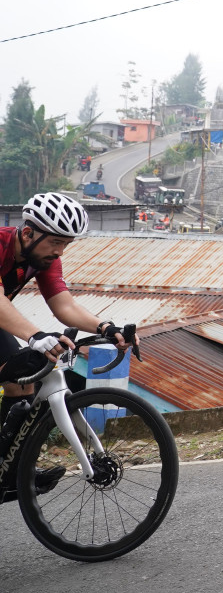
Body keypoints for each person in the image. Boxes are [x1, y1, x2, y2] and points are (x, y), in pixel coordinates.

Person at [1, 193, 134, 499]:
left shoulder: (42, 259)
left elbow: (64, 305)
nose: (60, 251)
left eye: (66, 244)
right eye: (55, 242)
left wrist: (106, 327)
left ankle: (10, 469)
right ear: (28, 233)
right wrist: (35, 335)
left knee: (22, 382)